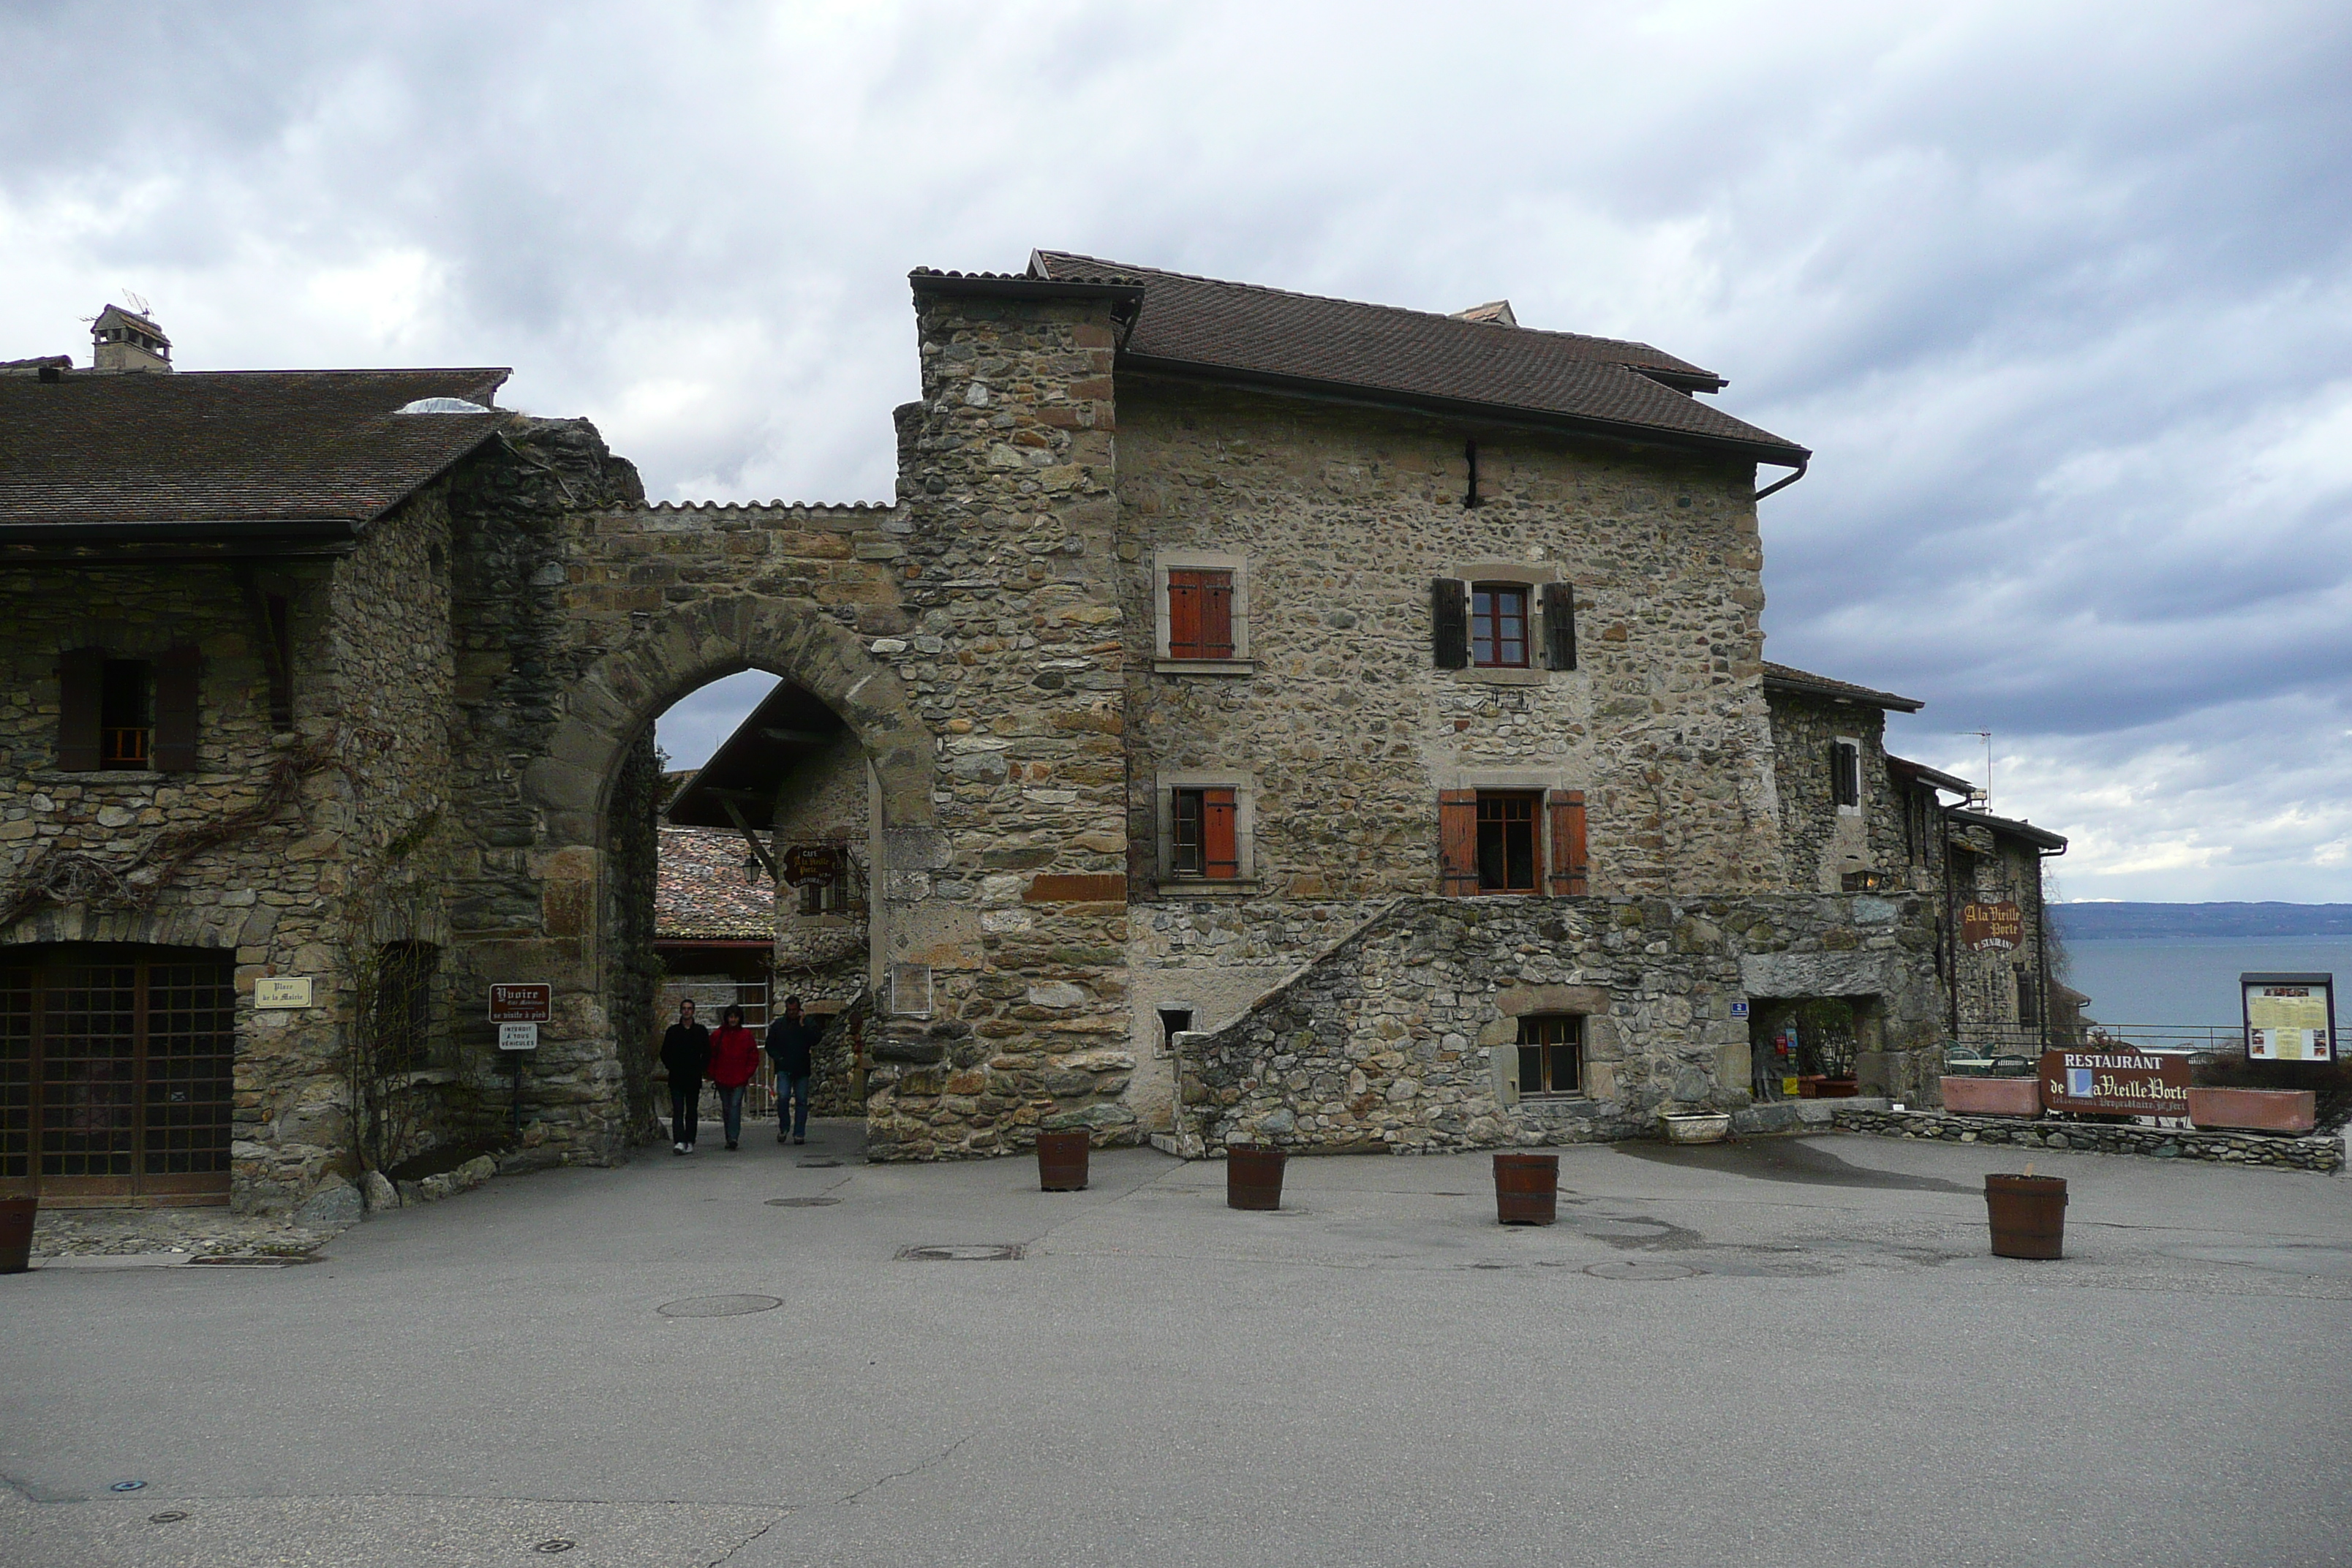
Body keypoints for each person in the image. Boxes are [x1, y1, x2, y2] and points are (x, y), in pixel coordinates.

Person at [764, 994, 822, 1145]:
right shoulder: (779, 1025)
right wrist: (779, 1058)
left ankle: (799, 1133)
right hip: (784, 1068)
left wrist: (803, 1025)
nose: (792, 1013)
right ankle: (784, 1127)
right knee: (783, 1097)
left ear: (799, 1009)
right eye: (789, 1010)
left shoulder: (807, 1023)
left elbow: (816, 1039)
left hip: (802, 1068)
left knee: (801, 1101)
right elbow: (770, 1045)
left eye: (794, 1010)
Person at [706, 1003, 760, 1151]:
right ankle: (729, 1136)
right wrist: (713, 1073)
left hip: (739, 1078)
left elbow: (753, 1056)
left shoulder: (746, 1036)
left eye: (736, 1017)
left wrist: (746, 1073)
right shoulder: (718, 1035)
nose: (733, 1020)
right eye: (731, 1017)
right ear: (727, 1018)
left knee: (735, 1106)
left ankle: (733, 1137)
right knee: (727, 1107)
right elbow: (711, 1055)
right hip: (722, 1077)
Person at [660, 999, 710, 1155]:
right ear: (681, 1011)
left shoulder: (701, 1031)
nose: (687, 1011)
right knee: (678, 1110)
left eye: (689, 1009)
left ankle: (690, 1140)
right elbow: (665, 1053)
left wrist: (701, 1069)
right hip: (676, 1077)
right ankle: (679, 1140)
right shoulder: (673, 1031)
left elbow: (707, 1053)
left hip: (693, 1077)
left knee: (692, 1111)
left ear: (693, 1011)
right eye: (684, 1009)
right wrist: (672, 1066)